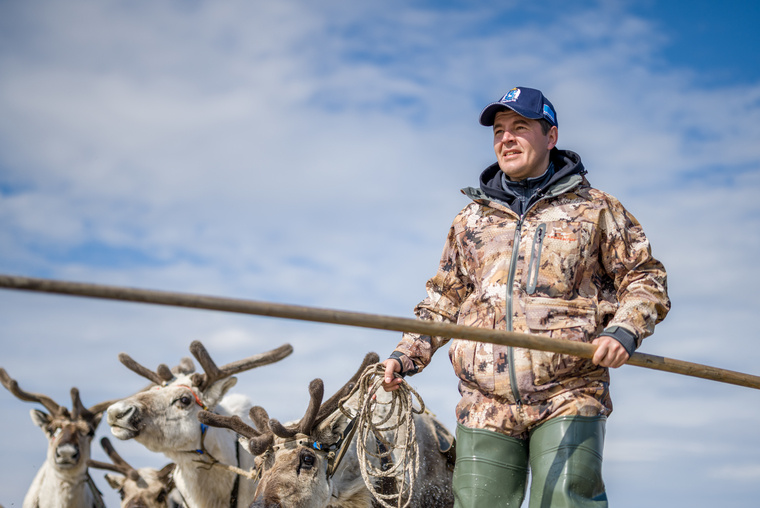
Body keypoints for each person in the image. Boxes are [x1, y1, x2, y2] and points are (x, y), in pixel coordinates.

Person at [382, 86, 670, 507]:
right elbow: (444, 299)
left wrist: (624, 330)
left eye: (520, 127)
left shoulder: (596, 208)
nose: (506, 138)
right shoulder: (470, 220)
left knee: (565, 502)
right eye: (499, 130)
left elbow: (645, 279)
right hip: (484, 400)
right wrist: (406, 354)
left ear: (550, 136)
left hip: (570, 393)